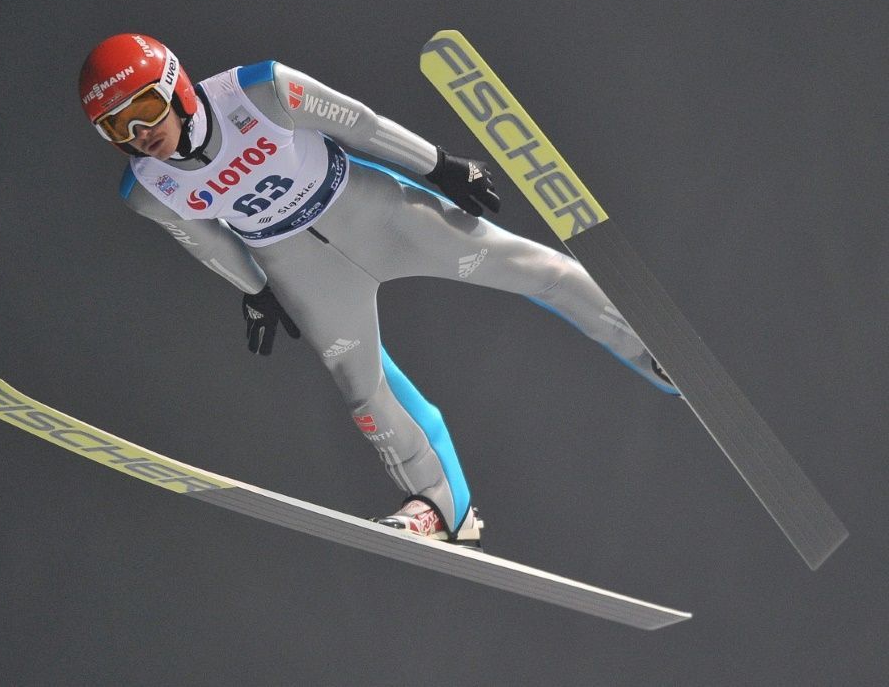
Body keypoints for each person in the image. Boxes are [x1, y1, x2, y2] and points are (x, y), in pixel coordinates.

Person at [78, 33, 677, 549]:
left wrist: (437, 164)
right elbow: (206, 242)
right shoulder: (146, 190)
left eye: (146, 108)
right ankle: (442, 509)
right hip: (300, 269)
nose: (138, 133)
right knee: (366, 396)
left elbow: (357, 122)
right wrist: (256, 290)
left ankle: (650, 350)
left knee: (528, 268)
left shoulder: (257, 90)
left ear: (178, 88)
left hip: (376, 213)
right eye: (115, 127)